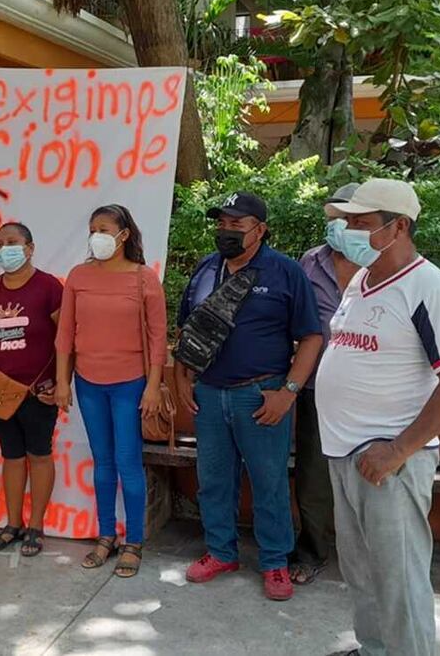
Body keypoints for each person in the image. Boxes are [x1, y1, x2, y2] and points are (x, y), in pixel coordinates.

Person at [316, 178, 440, 656]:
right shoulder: (361, 281)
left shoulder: (430, 287)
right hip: (345, 452)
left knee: (399, 579)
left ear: (398, 227)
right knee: (362, 571)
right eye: (345, 222)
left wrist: (398, 450)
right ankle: (374, 649)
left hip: (389, 459)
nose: (347, 231)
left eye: (361, 223)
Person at [175, 191, 324, 601]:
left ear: (260, 230)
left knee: (269, 482)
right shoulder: (206, 269)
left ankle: (276, 561)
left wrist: (288, 392)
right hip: (208, 393)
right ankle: (220, 551)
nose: (226, 231)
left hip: (260, 396)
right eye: (221, 224)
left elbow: (311, 337)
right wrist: (181, 377)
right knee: (214, 480)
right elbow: (186, 329)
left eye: (236, 225)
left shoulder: (285, 272)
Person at [55, 204, 167, 579]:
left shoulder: (143, 278)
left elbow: (157, 338)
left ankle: (133, 540)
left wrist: (152, 387)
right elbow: (65, 334)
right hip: (88, 382)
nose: (96, 236)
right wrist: (61, 381)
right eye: (92, 229)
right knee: (102, 463)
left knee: (127, 461)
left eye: (103, 228)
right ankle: (106, 535)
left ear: (124, 235)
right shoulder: (78, 276)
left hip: (130, 382)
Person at [0, 222, 64, 557]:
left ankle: (36, 526)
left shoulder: (49, 288)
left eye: (12, 242)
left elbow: (66, 339)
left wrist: (62, 382)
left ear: (30, 247)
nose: (5, 248)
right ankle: (13, 524)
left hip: (39, 391)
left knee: (39, 455)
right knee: (11, 456)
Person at [292, 183, 361, 585]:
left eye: (344, 221)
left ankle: (369, 558)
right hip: (317, 388)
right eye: (330, 220)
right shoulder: (310, 262)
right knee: (314, 475)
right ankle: (312, 551)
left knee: (370, 477)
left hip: (371, 393)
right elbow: (298, 322)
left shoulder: (385, 266)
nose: (335, 228)